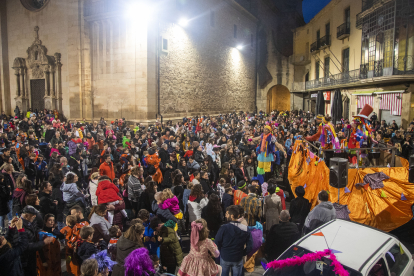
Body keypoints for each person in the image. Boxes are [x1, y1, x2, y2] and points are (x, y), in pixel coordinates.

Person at [215, 205, 253, 276]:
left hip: (225, 257)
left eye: (227, 214)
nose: (225, 216)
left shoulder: (224, 228)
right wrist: (243, 253)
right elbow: (250, 246)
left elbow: (217, 242)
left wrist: (222, 251)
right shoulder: (245, 229)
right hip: (238, 258)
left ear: (232, 216)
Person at [20, 205, 55, 276]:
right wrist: (43, 242)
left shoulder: (29, 221)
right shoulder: (20, 227)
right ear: (27, 215)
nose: (35, 216)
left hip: (31, 257)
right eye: (33, 215)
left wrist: (40, 232)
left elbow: (34, 229)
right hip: (25, 260)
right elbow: (26, 246)